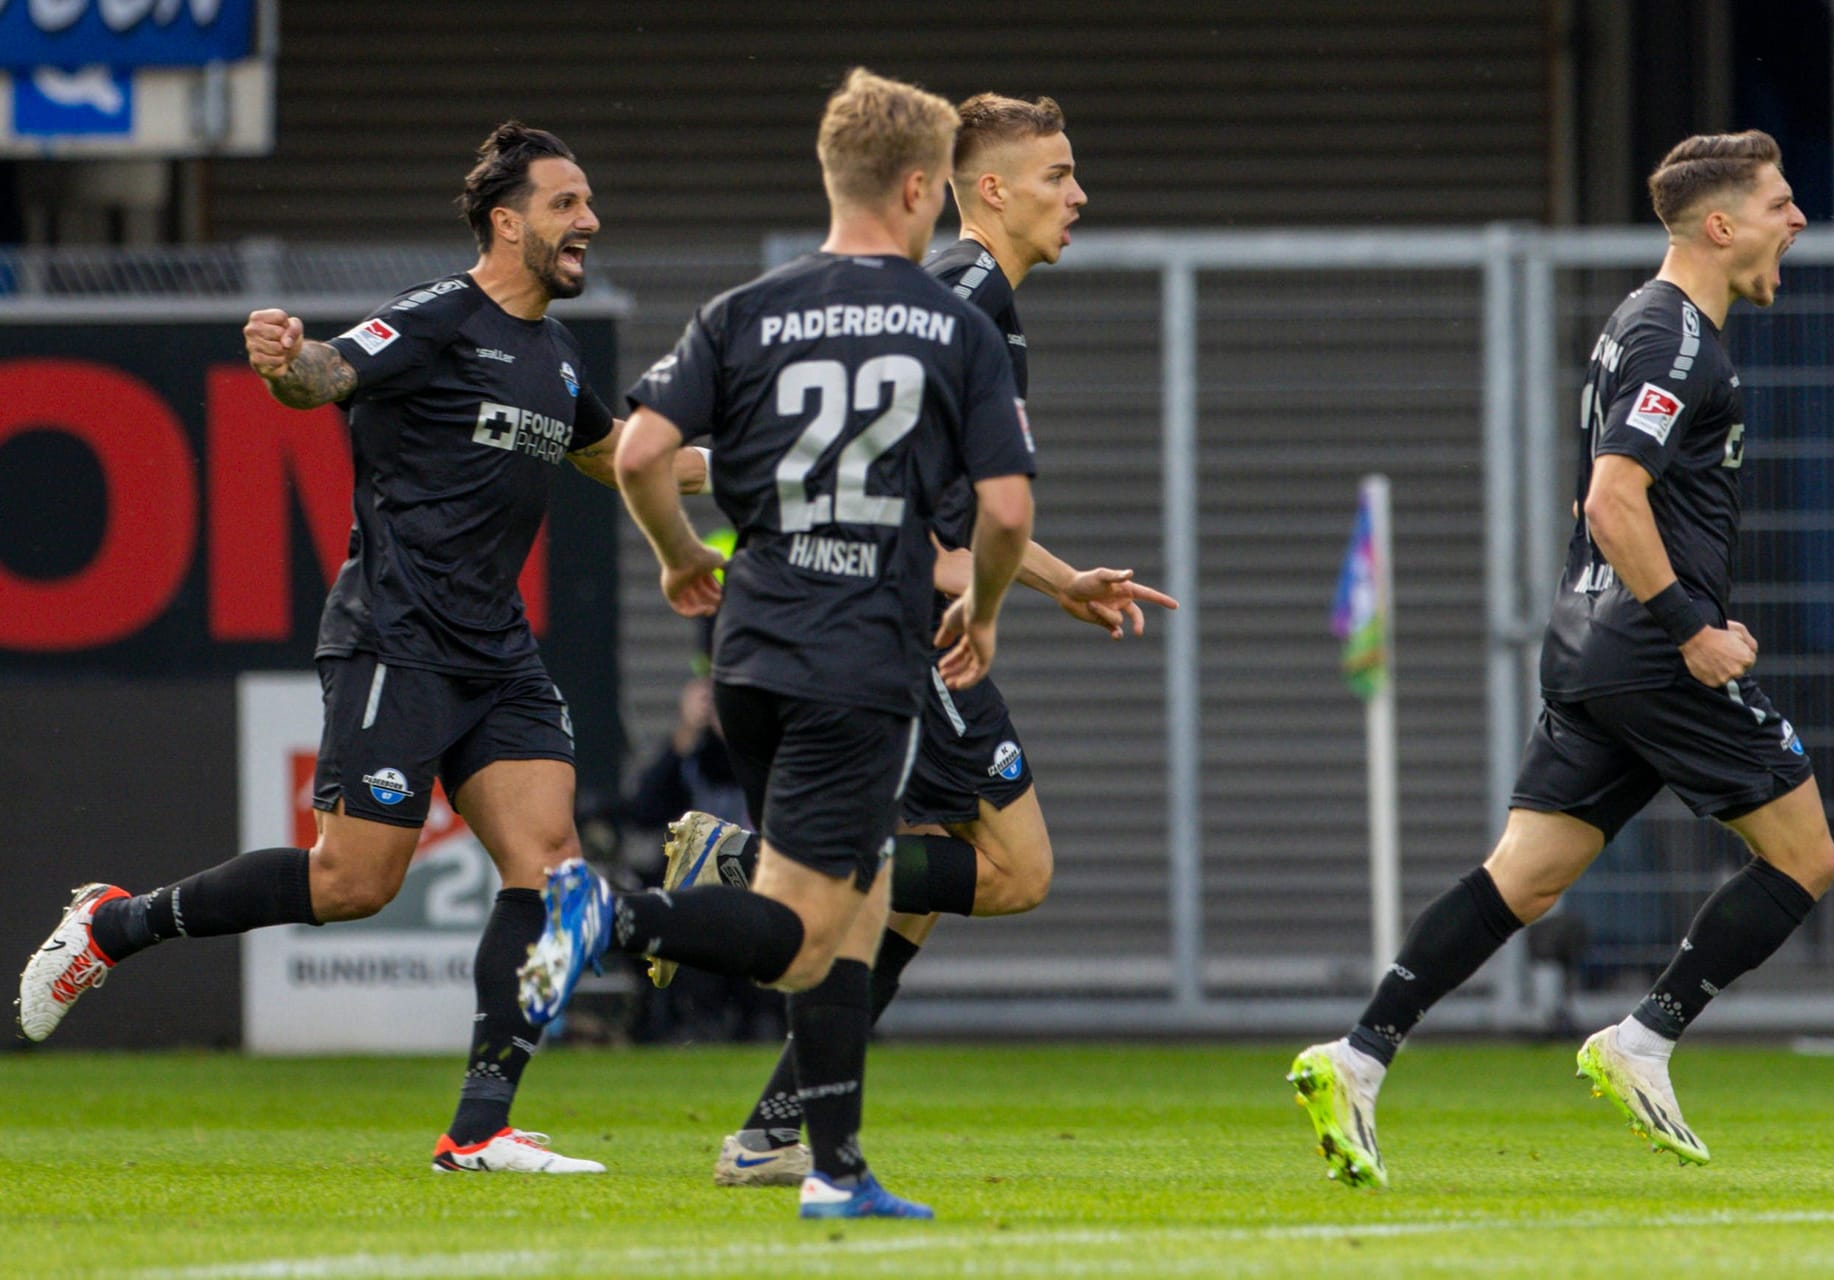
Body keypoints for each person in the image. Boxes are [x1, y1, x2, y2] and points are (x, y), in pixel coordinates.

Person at [15, 121, 632, 1175]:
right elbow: (326, 373)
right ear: (506, 220)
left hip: (500, 655)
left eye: (587, 203)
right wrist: (280, 359)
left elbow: (621, 457)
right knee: (354, 882)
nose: (589, 221)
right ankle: (119, 923)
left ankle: (478, 1128)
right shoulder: (442, 317)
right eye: (567, 203)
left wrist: (761, 470)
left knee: (551, 867)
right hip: (397, 636)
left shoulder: (558, 356)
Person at [515, 67, 1035, 1220]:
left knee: (850, 913)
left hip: (748, 657)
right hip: (859, 662)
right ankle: (616, 909)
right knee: (808, 930)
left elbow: (643, 449)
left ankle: (833, 1168)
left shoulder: (746, 309)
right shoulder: (954, 324)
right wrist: (987, 610)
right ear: (917, 187)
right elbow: (1001, 511)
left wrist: (677, 555)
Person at [1289, 130, 1830, 1189]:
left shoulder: (1644, 321)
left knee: (1524, 876)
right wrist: (1693, 627)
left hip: (1588, 642)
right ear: (1720, 226)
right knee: (1806, 857)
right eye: (1779, 204)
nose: (1796, 220)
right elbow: (1611, 497)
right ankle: (1646, 1036)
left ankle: (1356, 1053)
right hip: (1647, 648)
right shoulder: (1680, 343)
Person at [669, 91, 1176, 1189]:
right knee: (1011, 869)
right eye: (1058, 175)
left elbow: (939, 501)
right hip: (887, 632)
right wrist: (1000, 600)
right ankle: (751, 864)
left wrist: (1053, 581)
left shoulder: (974, 297)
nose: (1079, 194)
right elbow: (932, 510)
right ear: (984, 189)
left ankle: (773, 1132)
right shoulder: (960, 298)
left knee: (911, 899)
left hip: (875, 619)